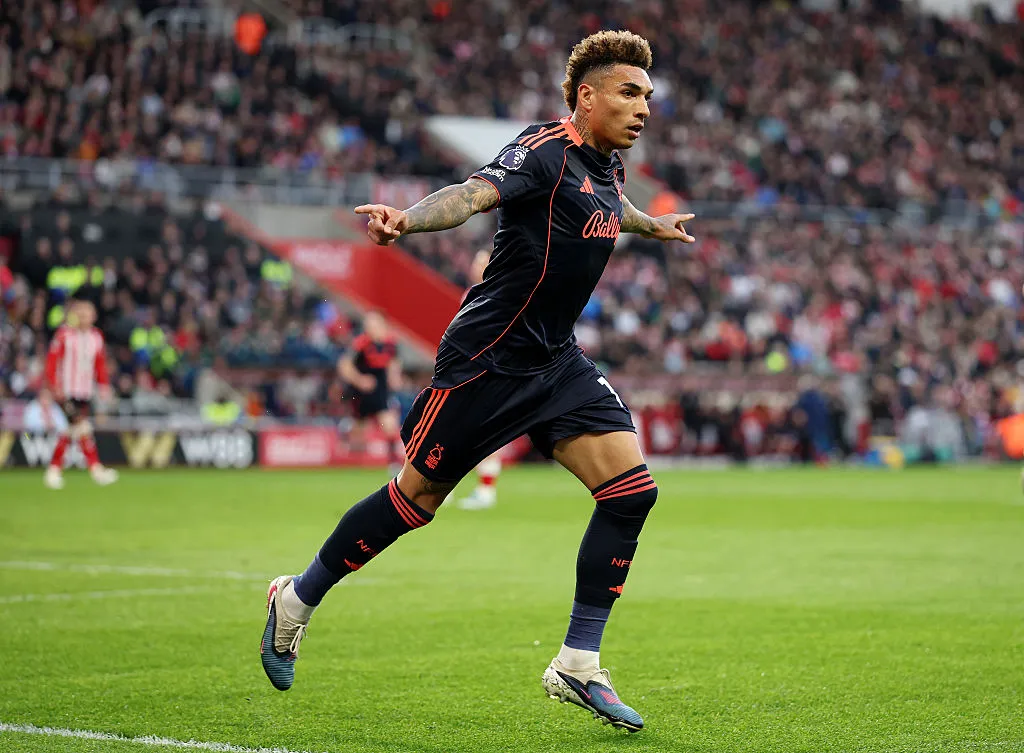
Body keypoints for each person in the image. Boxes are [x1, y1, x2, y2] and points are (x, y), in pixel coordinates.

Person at [261, 31, 695, 732]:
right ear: (587, 96)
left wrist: (653, 226)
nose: (643, 107)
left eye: (647, 95)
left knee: (631, 491)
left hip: (555, 362)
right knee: (414, 500)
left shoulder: (609, 166)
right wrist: (407, 219)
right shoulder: (543, 151)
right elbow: (472, 194)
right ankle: (297, 597)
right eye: (628, 92)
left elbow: (611, 212)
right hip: (486, 361)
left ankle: (578, 663)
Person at [43, 299, 119, 489]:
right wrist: (54, 386)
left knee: (69, 431)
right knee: (82, 426)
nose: (85, 318)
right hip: (65, 391)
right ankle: (95, 469)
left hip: (84, 391)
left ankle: (53, 470)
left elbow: (100, 364)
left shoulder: (96, 337)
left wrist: (103, 385)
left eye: (88, 314)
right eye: (81, 314)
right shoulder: (64, 335)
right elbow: (52, 362)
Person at [452, 250, 503, 510]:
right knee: (460, 428)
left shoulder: (497, 292)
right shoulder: (473, 292)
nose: (478, 265)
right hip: (471, 370)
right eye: (476, 260)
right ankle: (442, 484)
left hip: (489, 371)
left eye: (484, 261)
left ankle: (486, 490)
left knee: (485, 430)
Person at [337, 311, 403, 469]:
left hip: (380, 390)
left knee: (390, 426)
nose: (372, 327)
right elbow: (344, 365)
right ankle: (346, 430)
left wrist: (395, 377)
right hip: (361, 392)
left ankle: (393, 464)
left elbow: (394, 362)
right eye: (369, 324)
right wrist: (360, 380)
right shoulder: (361, 344)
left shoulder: (391, 343)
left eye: (375, 324)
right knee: (359, 428)